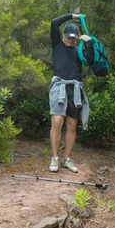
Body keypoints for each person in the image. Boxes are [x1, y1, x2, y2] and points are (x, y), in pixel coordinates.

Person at [48, 13, 93, 173]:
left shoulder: (78, 51)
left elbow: (91, 59)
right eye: (68, 37)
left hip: (74, 89)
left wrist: (90, 43)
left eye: (74, 38)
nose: (71, 40)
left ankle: (67, 159)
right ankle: (54, 159)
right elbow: (54, 23)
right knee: (57, 121)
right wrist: (71, 16)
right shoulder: (57, 45)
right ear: (63, 35)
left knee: (72, 125)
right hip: (59, 87)